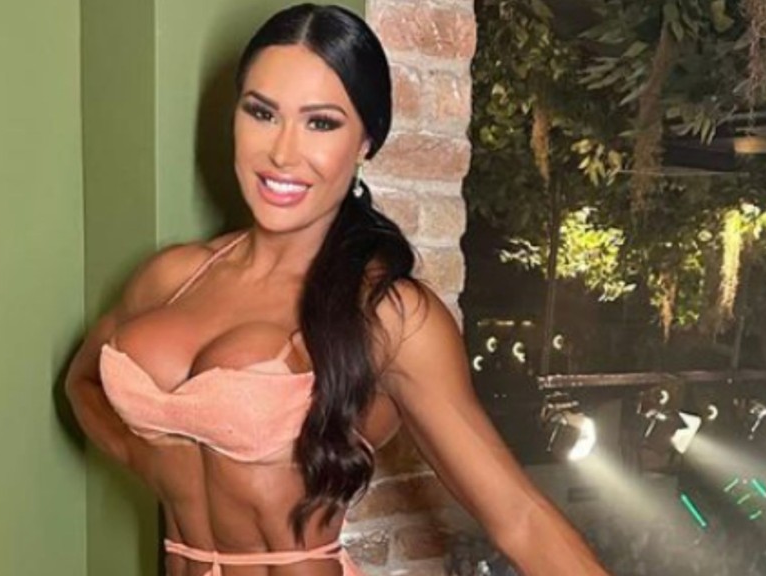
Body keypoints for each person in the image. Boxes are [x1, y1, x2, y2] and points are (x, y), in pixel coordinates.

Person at [65, 4, 608, 575]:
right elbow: (82, 382)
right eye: (262, 113)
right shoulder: (171, 277)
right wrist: (149, 460)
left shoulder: (389, 316)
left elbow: (519, 517)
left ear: (366, 141)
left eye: (321, 123)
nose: (282, 153)